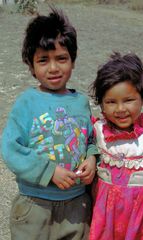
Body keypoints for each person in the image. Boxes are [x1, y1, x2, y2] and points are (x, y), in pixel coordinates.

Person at [1, 7, 98, 240]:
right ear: (31, 65)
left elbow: (90, 139)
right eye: (43, 60)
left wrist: (92, 158)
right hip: (35, 205)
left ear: (72, 61)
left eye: (61, 58)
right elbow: (10, 148)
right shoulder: (27, 102)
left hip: (77, 205)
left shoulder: (81, 102)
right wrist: (49, 170)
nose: (53, 68)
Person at [89, 52, 143, 240]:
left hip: (141, 217)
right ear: (102, 105)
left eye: (128, 100)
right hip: (105, 214)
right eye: (111, 102)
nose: (120, 109)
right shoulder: (98, 130)